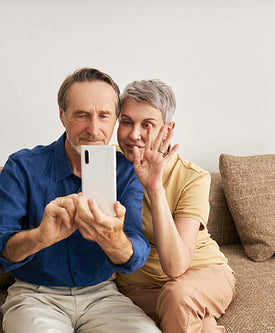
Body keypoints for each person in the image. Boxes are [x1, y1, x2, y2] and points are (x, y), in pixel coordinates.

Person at [0, 68, 161, 333]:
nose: (94, 129)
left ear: (115, 119)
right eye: (82, 115)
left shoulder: (126, 171)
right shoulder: (23, 166)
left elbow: (135, 253)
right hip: (35, 296)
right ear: (62, 116)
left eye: (104, 116)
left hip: (103, 295)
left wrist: (114, 239)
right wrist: (40, 236)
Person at [115, 79, 236, 333]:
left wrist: (154, 187)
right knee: (182, 307)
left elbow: (176, 267)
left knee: (179, 296)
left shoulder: (193, 177)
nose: (133, 134)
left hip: (202, 274)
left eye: (147, 124)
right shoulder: (109, 166)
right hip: (138, 288)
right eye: (126, 122)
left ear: (167, 130)